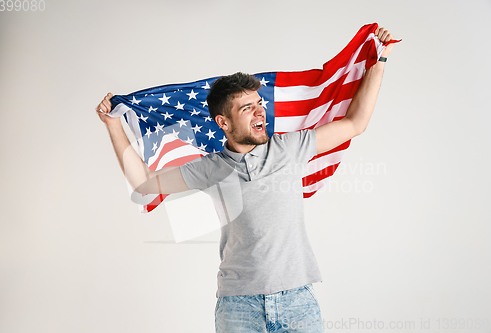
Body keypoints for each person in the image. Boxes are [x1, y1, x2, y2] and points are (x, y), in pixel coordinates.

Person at [96, 27, 395, 333]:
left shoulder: (289, 148)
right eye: (247, 108)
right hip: (239, 307)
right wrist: (113, 124)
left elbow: (355, 123)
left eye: (259, 104)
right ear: (223, 122)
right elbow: (143, 182)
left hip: (297, 303)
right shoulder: (210, 167)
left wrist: (379, 60)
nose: (260, 112)